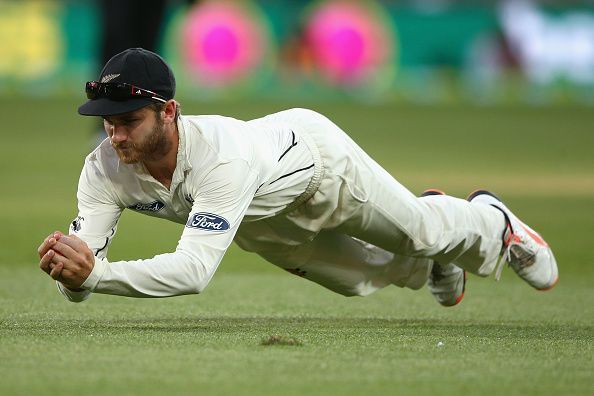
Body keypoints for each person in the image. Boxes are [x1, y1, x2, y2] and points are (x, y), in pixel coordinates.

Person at [37, 48, 558, 306]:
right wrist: (75, 276)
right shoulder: (102, 168)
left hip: (317, 167)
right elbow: (84, 274)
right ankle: (438, 262)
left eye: (129, 122)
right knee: (360, 281)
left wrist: (99, 277)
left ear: (169, 112)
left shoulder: (222, 156)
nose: (116, 137)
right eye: (107, 123)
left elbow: (194, 272)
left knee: (419, 229)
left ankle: (493, 220)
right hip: (256, 220)